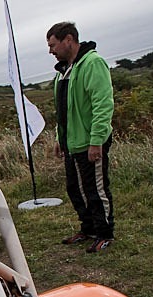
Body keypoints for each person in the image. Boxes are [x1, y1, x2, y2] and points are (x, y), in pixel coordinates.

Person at [47, 22, 115, 253]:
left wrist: (96, 141)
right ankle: (88, 229)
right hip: (71, 143)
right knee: (74, 188)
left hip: (90, 142)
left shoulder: (93, 63)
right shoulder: (64, 71)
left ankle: (105, 234)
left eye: (53, 45)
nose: (51, 51)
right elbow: (63, 109)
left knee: (95, 189)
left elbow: (102, 105)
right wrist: (59, 137)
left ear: (68, 39)